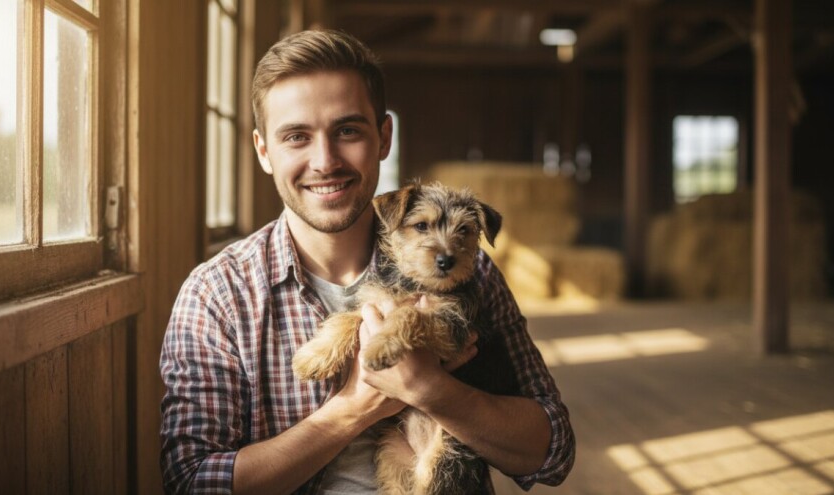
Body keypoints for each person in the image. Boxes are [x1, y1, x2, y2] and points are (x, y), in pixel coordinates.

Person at [160, 29, 574, 495]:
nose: (325, 161)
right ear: (263, 152)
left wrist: (433, 392)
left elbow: (553, 450)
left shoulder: (463, 270)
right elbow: (191, 483)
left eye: (348, 130)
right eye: (296, 136)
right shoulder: (215, 294)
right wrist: (357, 405)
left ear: (384, 137)